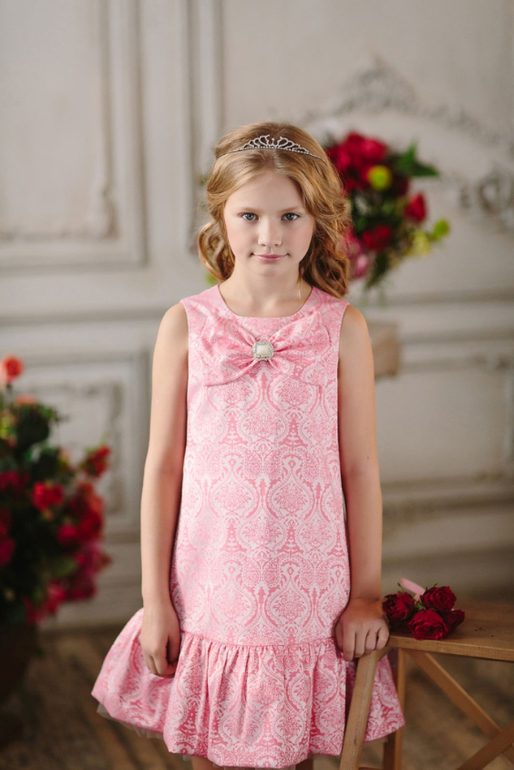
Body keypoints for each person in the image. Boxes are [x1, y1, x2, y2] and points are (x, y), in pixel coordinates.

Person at [91, 121, 405, 770]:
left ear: (316, 219)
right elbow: (162, 468)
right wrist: (156, 600)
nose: (270, 235)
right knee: (209, 750)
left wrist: (365, 594)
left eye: (290, 216)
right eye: (250, 216)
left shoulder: (342, 329)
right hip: (210, 590)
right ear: (221, 217)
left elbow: (360, 468)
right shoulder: (186, 325)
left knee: (296, 755)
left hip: (309, 593)